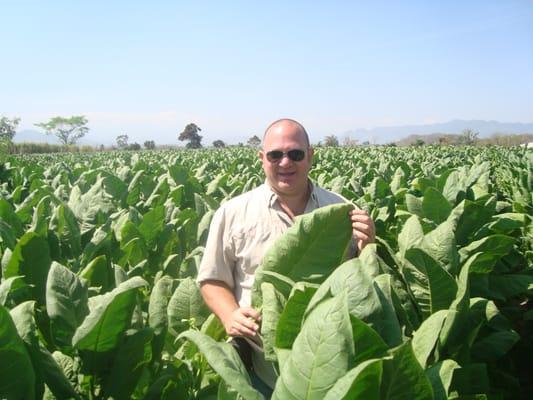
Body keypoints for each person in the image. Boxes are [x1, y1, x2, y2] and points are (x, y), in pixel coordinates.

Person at [197, 118, 375, 395]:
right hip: (259, 366)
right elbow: (211, 280)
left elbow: (359, 282)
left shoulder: (343, 211)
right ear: (261, 158)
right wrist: (229, 315)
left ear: (310, 156)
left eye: (295, 154)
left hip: (329, 363)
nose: (285, 162)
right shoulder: (232, 213)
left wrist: (368, 246)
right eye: (275, 155)